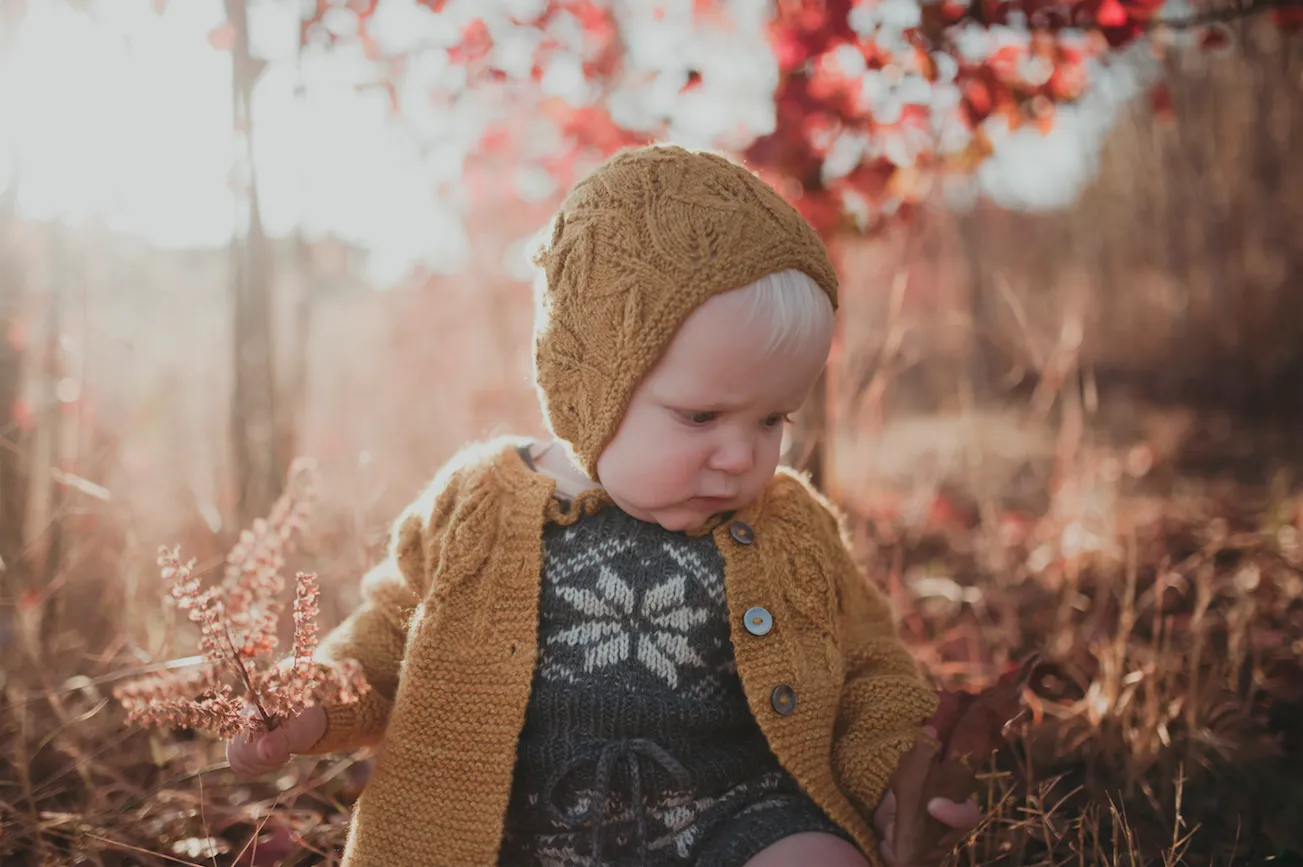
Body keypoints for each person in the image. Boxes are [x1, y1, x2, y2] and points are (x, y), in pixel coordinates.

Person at [227, 145, 980, 866]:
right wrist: (314, 703)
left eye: (771, 420)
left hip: (734, 819)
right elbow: (386, 638)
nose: (740, 455)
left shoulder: (790, 524)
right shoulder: (482, 501)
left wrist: (892, 774)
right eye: (699, 416)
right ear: (590, 388)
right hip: (516, 837)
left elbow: (867, 669)